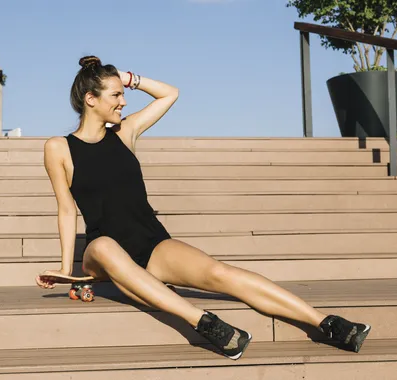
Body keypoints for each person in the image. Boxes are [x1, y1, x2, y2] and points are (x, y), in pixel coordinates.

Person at [37, 55, 371, 360]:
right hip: (101, 250)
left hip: (152, 243)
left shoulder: (125, 133)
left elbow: (170, 94)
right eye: (115, 95)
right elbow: (66, 210)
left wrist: (127, 77)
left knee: (220, 273)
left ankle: (326, 323)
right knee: (107, 246)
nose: (123, 101)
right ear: (90, 99)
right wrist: (68, 272)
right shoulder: (59, 147)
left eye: (123, 94)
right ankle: (205, 322)